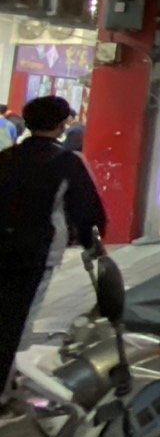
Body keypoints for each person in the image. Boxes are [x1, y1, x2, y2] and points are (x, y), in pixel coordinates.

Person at [0, 96, 107, 396]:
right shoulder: (66, 162)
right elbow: (86, 210)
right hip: (36, 251)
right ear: (61, 125)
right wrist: (93, 244)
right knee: (17, 319)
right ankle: (4, 390)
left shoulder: (6, 157)